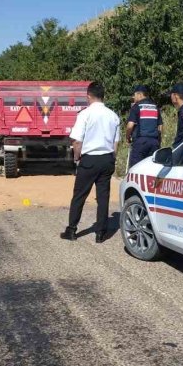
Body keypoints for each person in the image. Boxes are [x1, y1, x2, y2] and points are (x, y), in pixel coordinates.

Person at [61, 82, 121, 244]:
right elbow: (115, 143)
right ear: (103, 96)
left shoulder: (85, 114)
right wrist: (112, 159)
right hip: (107, 159)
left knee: (79, 195)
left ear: (88, 96)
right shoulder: (113, 116)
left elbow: (77, 141)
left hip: (89, 159)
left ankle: (71, 230)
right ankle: (101, 233)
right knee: (103, 197)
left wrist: (76, 157)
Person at [125, 85, 163, 167]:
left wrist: (127, 137)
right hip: (154, 142)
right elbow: (160, 125)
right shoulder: (155, 107)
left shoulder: (136, 107)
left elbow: (130, 125)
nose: (134, 97)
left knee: (135, 168)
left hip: (140, 142)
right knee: (151, 167)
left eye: (134, 95)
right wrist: (159, 139)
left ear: (139, 94)